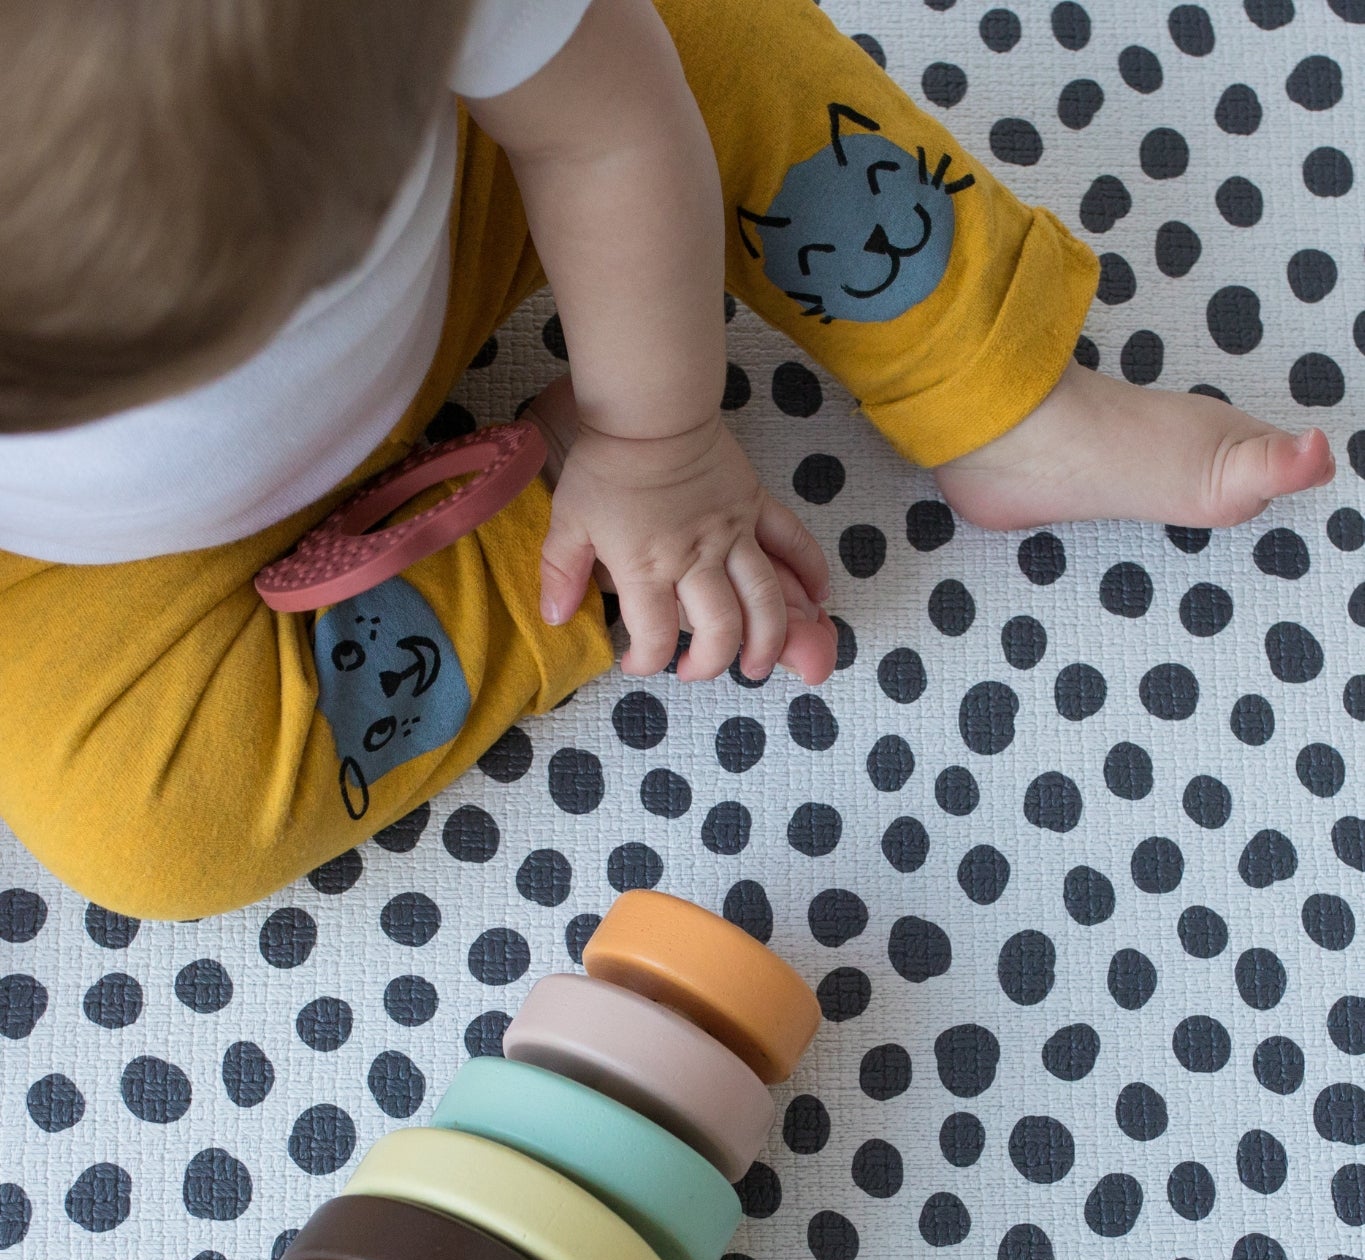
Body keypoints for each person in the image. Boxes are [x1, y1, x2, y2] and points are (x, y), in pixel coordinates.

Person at [0, 0, 1332, 918]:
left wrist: (659, 439)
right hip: (86, 562)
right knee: (139, 821)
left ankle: (984, 385)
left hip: (485, 216)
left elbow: (605, 136)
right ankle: (570, 561)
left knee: (682, 45)